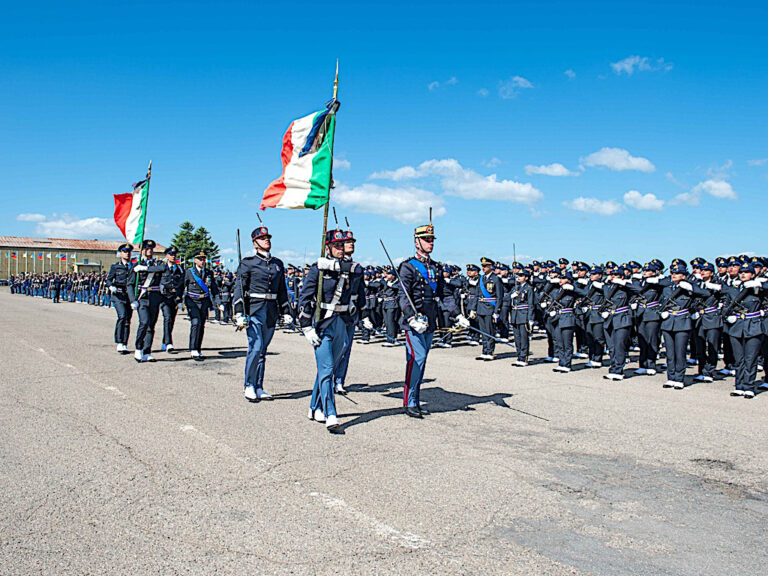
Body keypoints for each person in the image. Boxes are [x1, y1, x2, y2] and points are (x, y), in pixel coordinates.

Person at [298, 229, 371, 431]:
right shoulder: (318, 270)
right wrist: (306, 327)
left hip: (344, 322)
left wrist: (364, 318)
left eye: (343, 245)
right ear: (328, 247)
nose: (341, 248)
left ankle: (314, 406)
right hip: (324, 323)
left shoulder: (354, 270)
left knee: (326, 369)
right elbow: (305, 298)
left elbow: (361, 295)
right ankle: (331, 413)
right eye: (337, 245)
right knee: (328, 368)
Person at [396, 222, 469, 418]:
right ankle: (409, 401)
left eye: (432, 240)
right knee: (416, 360)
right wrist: (411, 318)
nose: (430, 243)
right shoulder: (408, 267)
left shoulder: (436, 267)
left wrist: (457, 314)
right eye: (426, 240)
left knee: (422, 361)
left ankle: (416, 400)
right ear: (416, 242)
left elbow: (445, 294)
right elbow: (403, 296)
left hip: (429, 321)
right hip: (414, 322)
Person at [233, 225, 293, 401]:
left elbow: (282, 289)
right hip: (254, 309)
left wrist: (286, 310)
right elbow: (239, 288)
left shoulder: (277, 264)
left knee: (263, 350)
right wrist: (238, 313)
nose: (267, 240)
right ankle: (249, 384)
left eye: (268, 238)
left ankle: (259, 385)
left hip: (271, 310)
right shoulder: (248, 263)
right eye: (262, 238)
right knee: (256, 347)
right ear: (255, 242)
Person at [723, 261, 766, 398]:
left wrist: (760, 284)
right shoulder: (734, 289)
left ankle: (749, 386)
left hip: (753, 326)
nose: (742, 274)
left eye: (746, 272)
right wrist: (728, 316)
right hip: (736, 326)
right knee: (739, 359)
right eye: (741, 272)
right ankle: (739, 385)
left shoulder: (759, 289)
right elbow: (726, 305)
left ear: (753, 275)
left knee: (750, 358)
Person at [128, 239, 166, 362]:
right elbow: (130, 284)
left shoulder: (156, 264)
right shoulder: (135, 266)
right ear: (142, 250)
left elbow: (162, 268)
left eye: (151, 249)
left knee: (151, 326)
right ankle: (138, 348)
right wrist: (133, 299)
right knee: (144, 323)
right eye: (146, 249)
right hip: (142, 298)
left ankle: (147, 351)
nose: (149, 251)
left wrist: (144, 268)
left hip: (154, 298)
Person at [184, 251, 219, 360]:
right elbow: (182, 286)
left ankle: (198, 348)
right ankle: (193, 349)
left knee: (202, 325)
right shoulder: (189, 272)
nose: (202, 261)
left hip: (204, 301)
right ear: (195, 260)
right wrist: (179, 300)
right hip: (192, 301)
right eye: (200, 259)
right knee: (196, 322)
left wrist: (218, 301)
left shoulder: (208, 273)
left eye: (204, 259)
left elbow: (213, 288)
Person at [106, 243, 134, 354]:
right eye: (125, 252)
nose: (127, 254)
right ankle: (119, 342)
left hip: (129, 296)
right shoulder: (115, 266)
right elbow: (109, 279)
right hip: (118, 295)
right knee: (122, 316)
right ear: (121, 253)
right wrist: (111, 286)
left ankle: (124, 343)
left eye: (129, 252)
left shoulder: (133, 267)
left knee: (127, 320)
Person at [475, 257, 504, 361]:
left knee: (489, 331)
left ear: (491, 267)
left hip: (489, 308)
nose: (483, 268)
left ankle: (490, 351)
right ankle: (484, 351)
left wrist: (497, 311)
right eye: (482, 266)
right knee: (483, 331)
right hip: (480, 307)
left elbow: (500, 296)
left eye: (485, 266)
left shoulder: (496, 279)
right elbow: (477, 294)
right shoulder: (481, 278)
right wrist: (473, 309)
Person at [160, 246, 184, 353]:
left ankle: (165, 341)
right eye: (171, 254)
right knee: (168, 318)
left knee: (171, 321)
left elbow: (181, 286)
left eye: (174, 254)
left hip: (174, 299)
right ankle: (169, 343)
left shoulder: (179, 269)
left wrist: (180, 300)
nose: (173, 256)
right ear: (166, 256)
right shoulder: (162, 267)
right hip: (164, 298)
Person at [509, 267, 534, 366]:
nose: (518, 277)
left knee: (524, 338)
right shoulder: (515, 287)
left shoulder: (529, 288)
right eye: (518, 275)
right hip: (515, 315)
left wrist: (530, 318)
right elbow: (506, 298)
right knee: (517, 338)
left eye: (521, 276)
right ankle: (519, 355)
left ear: (526, 277)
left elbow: (531, 304)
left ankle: (524, 357)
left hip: (524, 315)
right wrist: (511, 296)